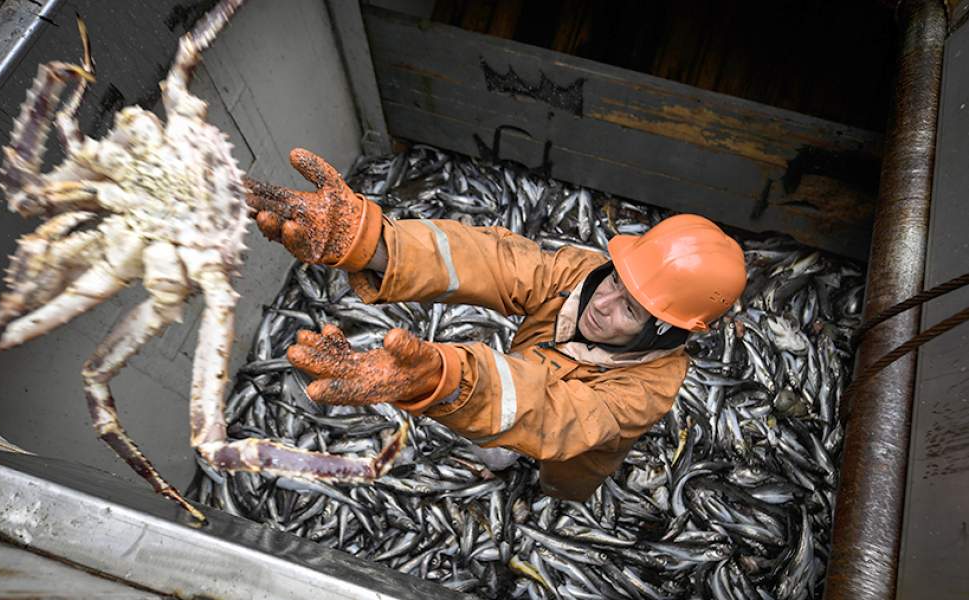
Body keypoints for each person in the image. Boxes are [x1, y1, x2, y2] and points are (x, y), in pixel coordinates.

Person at [246, 148, 747, 501]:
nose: (602, 303)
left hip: (574, 452)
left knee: (560, 481)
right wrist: (374, 245)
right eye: (616, 279)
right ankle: (498, 453)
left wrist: (449, 379)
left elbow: (559, 417)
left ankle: (546, 491)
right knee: (497, 439)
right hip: (506, 393)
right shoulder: (582, 274)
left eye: (631, 310)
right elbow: (494, 262)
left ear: (667, 331)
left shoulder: (649, 389)